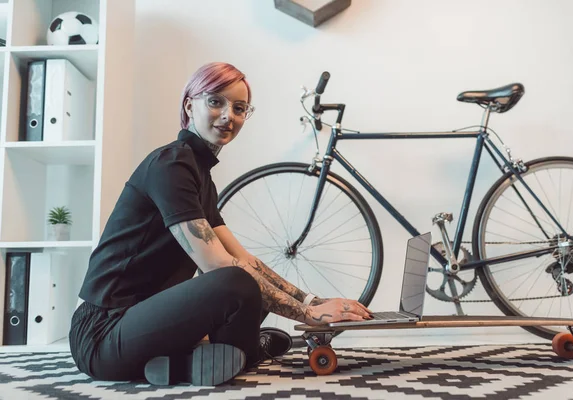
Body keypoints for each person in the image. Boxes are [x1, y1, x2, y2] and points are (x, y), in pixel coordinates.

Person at [68, 62, 373, 387]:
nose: (229, 115)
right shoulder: (171, 164)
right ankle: (232, 353)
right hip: (102, 336)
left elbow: (245, 259)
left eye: (239, 108)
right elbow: (217, 265)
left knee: (248, 282)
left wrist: (312, 301)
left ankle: (197, 360)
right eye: (216, 101)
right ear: (189, 105)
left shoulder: (200, 175)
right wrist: (310, 317)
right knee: (235, 283)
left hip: (141, 325)